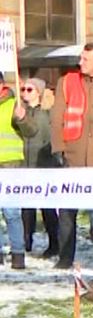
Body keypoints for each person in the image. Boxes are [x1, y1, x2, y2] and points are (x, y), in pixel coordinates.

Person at [52, 43, 93, 269]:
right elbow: (57, 117)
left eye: (85, 59)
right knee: (67, 212)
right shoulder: (67, 82)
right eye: (81, 58)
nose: (80, 63)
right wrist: (59, 149)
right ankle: (65, 258)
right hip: (73, 156)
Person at [13, 77, 59, 259]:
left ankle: (54, 243)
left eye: (29, 89)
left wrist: (23, 119)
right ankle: (26, 241)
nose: (25, 92)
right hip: (25, 163)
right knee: (26, 207)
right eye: (23, 89)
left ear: (38, 92)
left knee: (47, 208)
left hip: (43, 164)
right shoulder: (21, 110)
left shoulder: (45, 113)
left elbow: (36, 132)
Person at [0, 79, 28, 269]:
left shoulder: (14, 105)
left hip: (10, 164)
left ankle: (18, 253)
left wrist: (22, 119)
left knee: (11, 212)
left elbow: (31, 130)